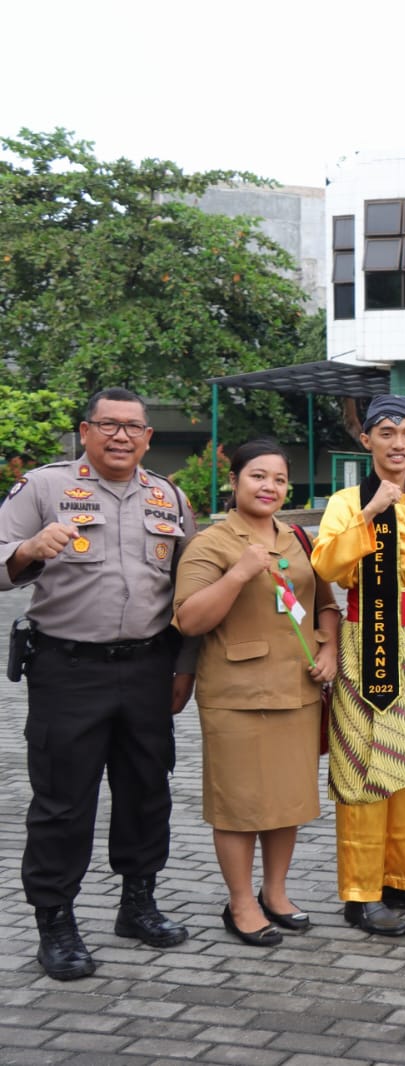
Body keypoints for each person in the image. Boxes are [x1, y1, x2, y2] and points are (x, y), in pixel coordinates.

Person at [0, 387, 195, 980]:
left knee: (145, 790)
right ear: (84, 431)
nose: (121, 436)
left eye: (132, 427)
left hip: (146, 668)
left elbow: (188, 589)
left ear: (147, 436)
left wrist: (184, 667)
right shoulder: (44, 488)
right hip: (68, 669)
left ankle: (138, 905)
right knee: (62, 800)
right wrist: (29, 550)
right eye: (108, 425)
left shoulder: (168, 495)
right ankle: (55, 923)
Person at [173, 439, 340, 947]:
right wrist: (242, 571)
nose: (270, 487)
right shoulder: (211, 543)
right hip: (237, 696)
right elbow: (188, 619)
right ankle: (240, 902)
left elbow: (326, 604)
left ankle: (276, 891)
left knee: (285, 801)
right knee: (240, 805)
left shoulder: (298, 538)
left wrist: (329, 649)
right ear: (235, 481)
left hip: (297, 689)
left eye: (279, 479)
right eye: (258, 476)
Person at [312, 394, 405, 936]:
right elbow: (324, 564)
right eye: (387, 433)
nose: (398, 443)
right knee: (363, 768)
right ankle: (359, 892)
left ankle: (400, 879)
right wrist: (371, 515)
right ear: (367, 440)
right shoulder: (348, 501)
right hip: (363, 641)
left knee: (404, 767)